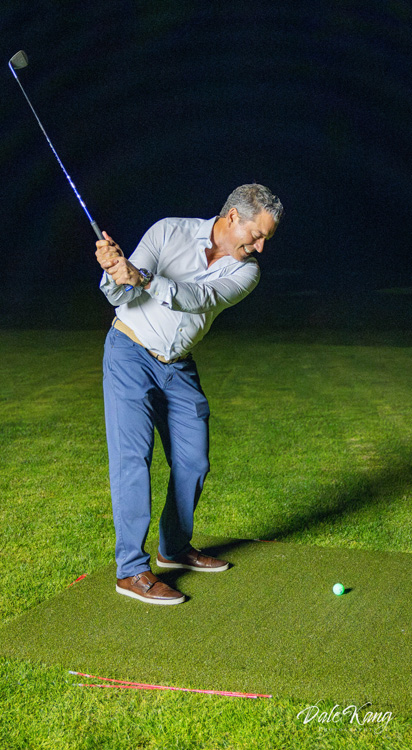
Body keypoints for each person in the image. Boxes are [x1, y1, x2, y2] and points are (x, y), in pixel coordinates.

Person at [96, 183, 283, 606]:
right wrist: (114, 270)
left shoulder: (247, 272)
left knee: (194, 460)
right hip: (129, 351)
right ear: (233, 217)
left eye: (265, 240)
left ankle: (174, 548)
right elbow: (119, 293)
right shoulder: (168, 231)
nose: (259, 247)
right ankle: (131, 570)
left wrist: (142, 278)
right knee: (133, 458)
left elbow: (199, 298)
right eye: (257, 235)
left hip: (178, 365)